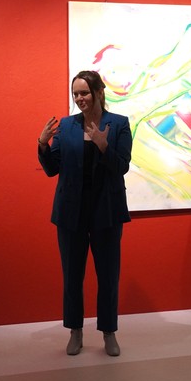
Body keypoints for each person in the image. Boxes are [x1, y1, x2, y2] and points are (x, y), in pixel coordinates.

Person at [38, 70, 132, 356]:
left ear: (98, 93)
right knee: (72, 276)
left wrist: (103, 146)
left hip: (106, 211)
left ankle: (109, 332)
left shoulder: (119, 124)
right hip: (71, 213)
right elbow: (53, 168)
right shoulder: (67, 126)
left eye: (84, 93)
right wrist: (43, 144)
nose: (79, 98)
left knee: (108, 276)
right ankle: (75, 331)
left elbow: (122, 166)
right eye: (75, 94)